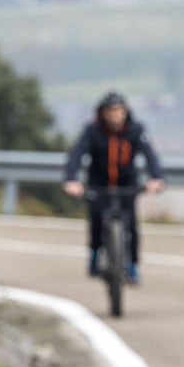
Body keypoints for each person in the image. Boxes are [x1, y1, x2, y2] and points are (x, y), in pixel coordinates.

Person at [62, 90, 166, 284]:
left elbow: (150, 155)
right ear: (103, 113)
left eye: (119, 111)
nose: (116, 116)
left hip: (127, 183)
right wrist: (71, 180)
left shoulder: (136, 130)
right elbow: (76, 155)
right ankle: (94, 253)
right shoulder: (92, 131)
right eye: (111, 111)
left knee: (132, 225)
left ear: (126, 112)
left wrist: (156, 178)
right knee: (96, 219)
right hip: (98, 183)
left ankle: (132, 265)